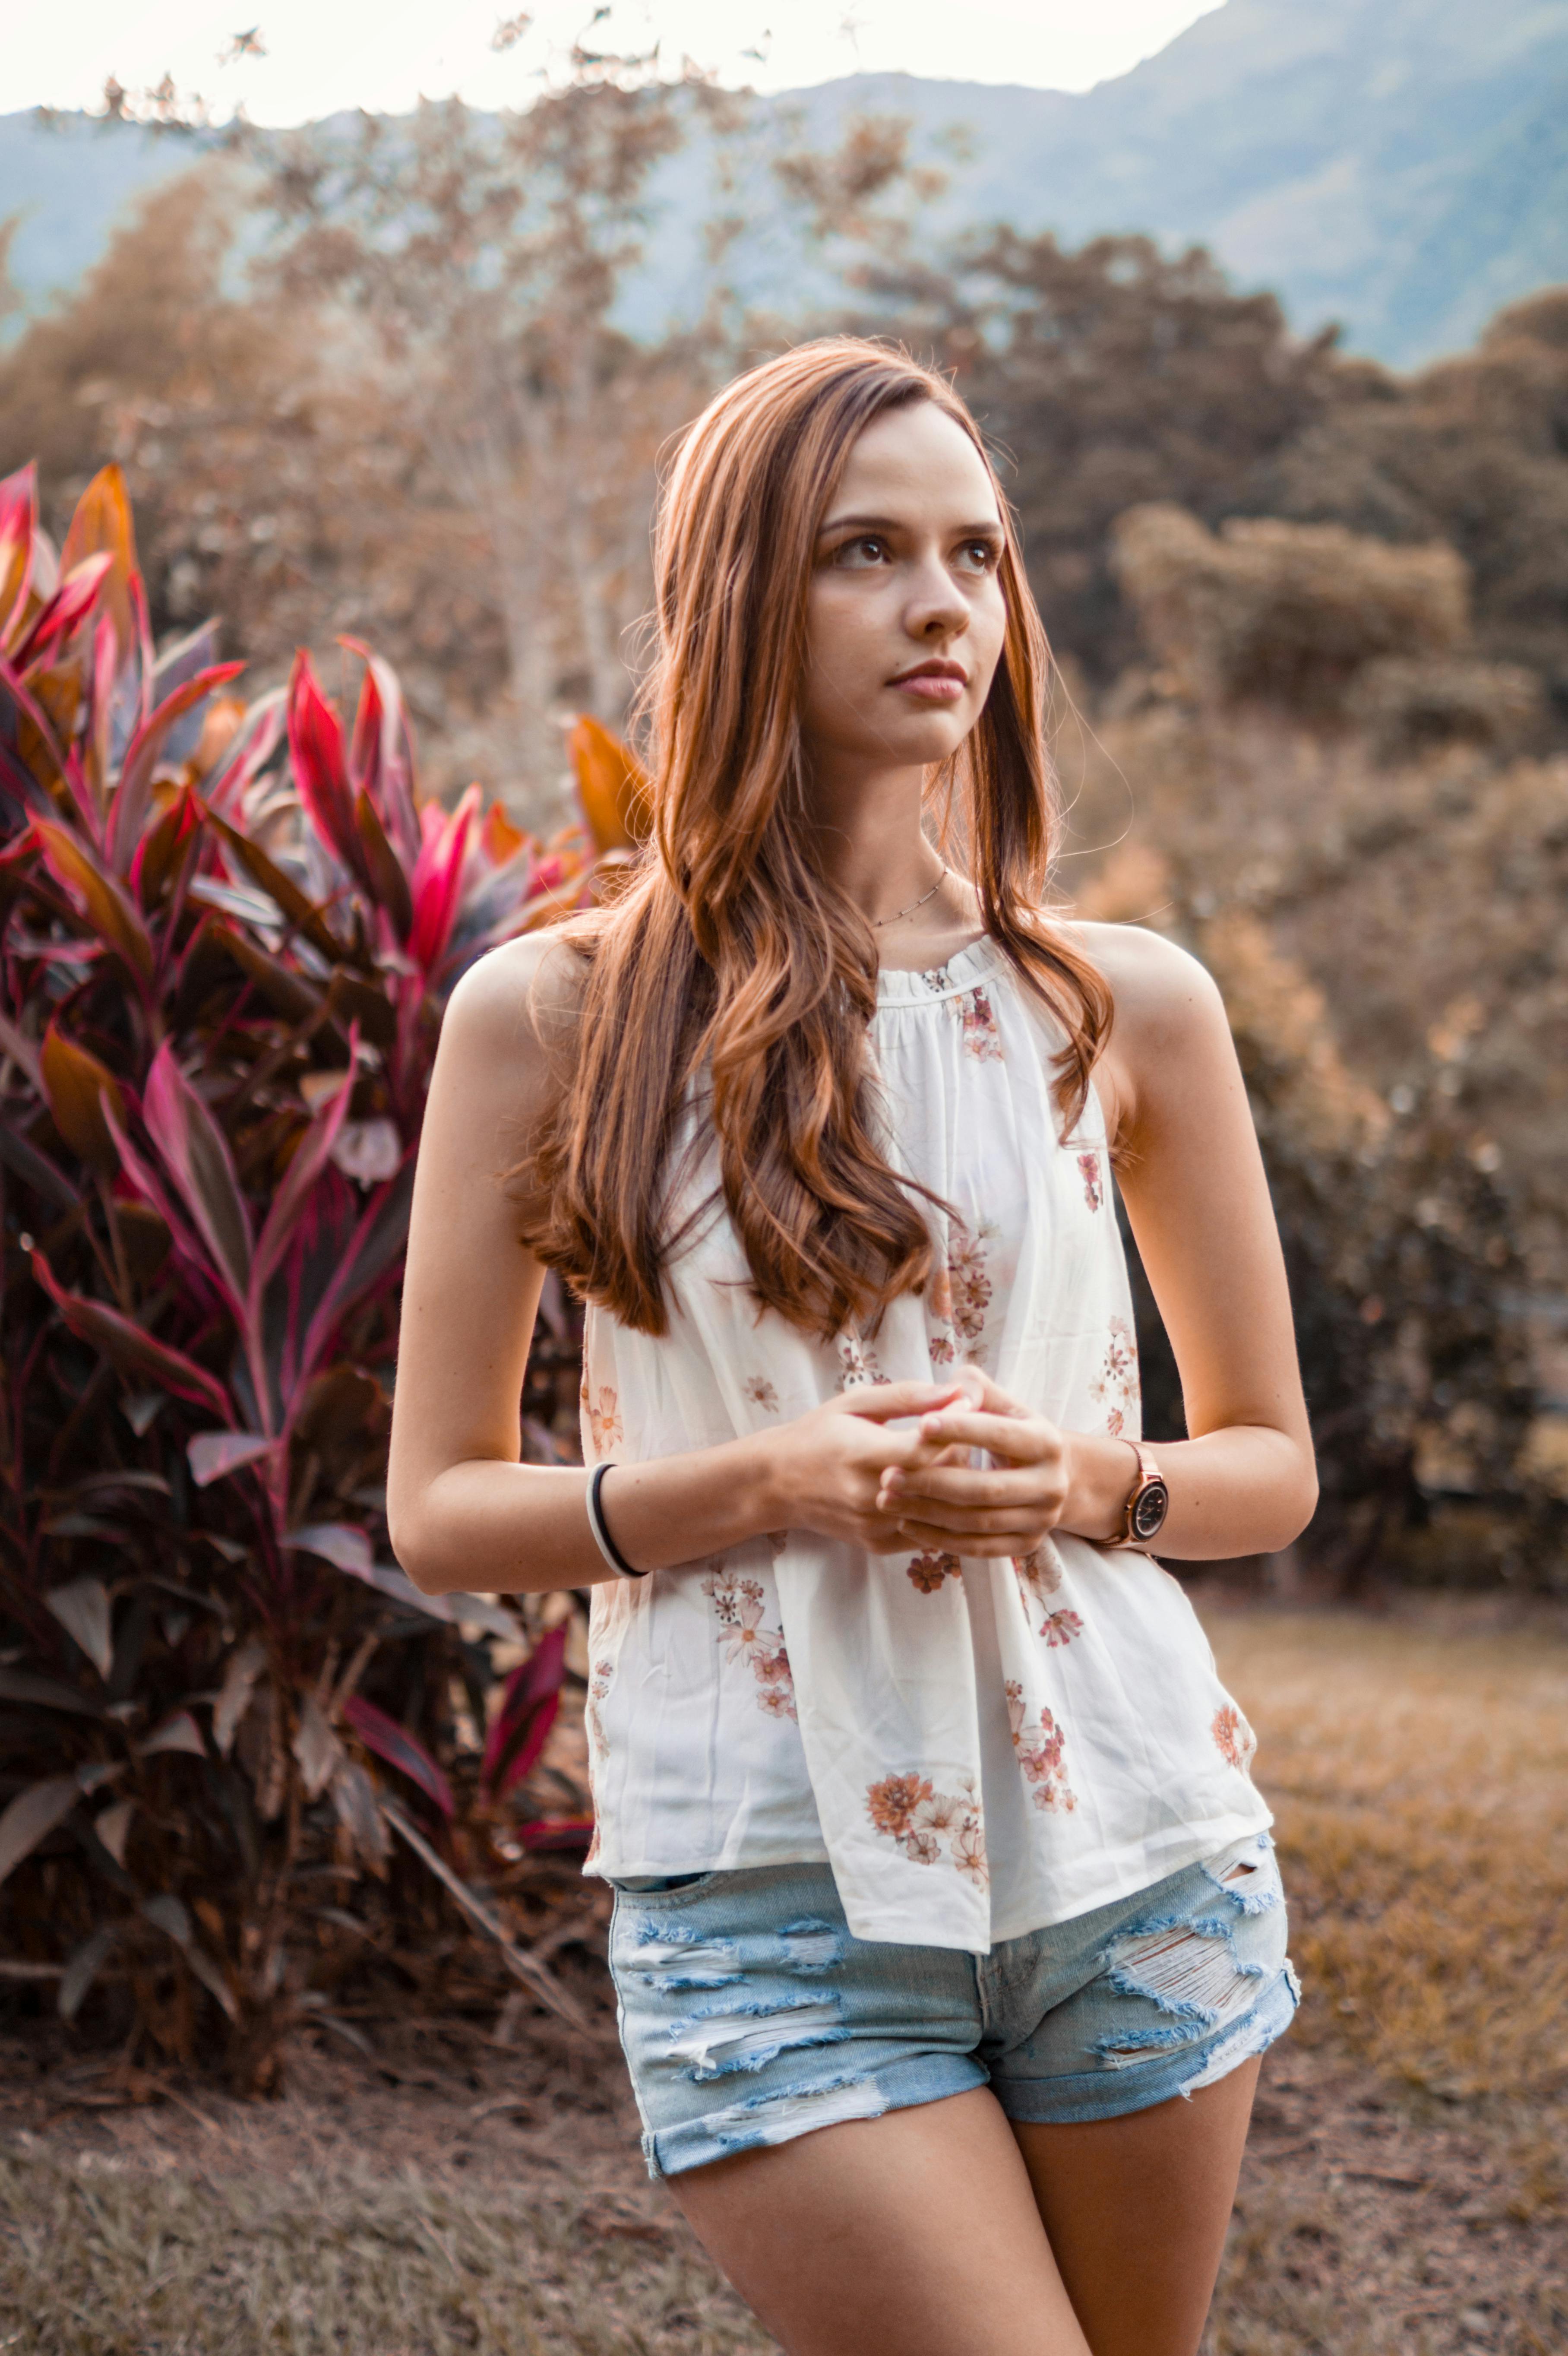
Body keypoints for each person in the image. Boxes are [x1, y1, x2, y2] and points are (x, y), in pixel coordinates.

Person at [386, 337, 1318, 2356]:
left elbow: (1264, 1460)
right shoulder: (549, 1015)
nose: (940, 606)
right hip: (765, 1883)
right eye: (865, 552)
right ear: (737, 593)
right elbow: (441, 1508)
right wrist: (767, 1480)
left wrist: (1085, 1478)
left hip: (1132, 1852)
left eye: (974, 555)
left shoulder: (1120, 1004)